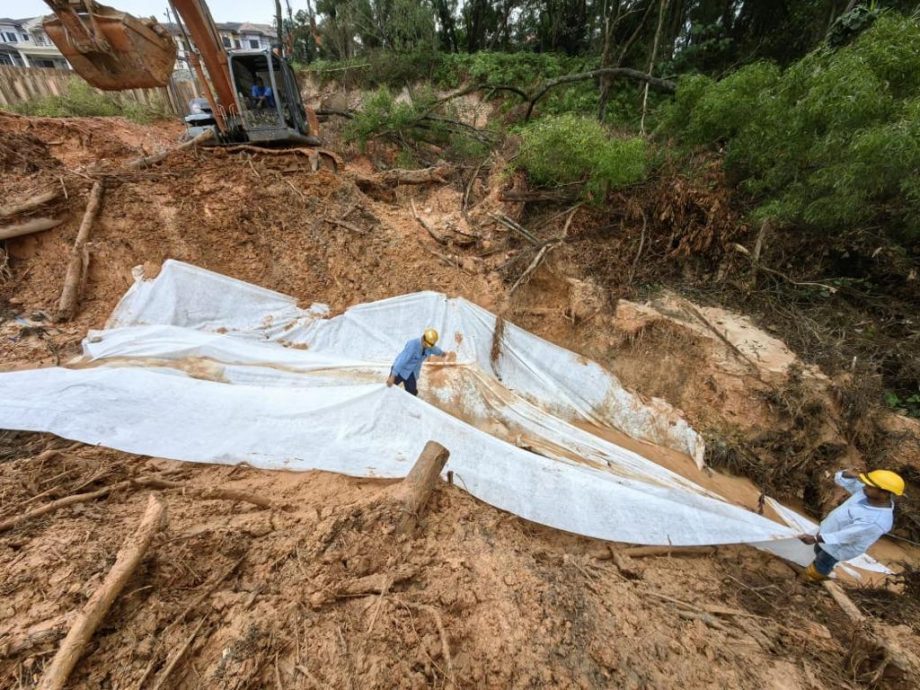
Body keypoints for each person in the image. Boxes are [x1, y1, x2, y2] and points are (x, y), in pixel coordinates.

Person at [798, 469, 904, 581]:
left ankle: (809, 579)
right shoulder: (868, 493)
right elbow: (842, 480)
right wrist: (849, 474)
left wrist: (815, 538)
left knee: (823, 561)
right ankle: (817, 570)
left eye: (869, 486)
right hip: (828, 532)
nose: (864, 486)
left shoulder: (876, 521)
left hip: (840, 546)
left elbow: (846, 536)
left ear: (884, 492)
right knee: (818, 550)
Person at [387, 328, 448, 396]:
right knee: (390, 388)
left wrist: (442, 353)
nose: (427, 347)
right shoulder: (412, 345)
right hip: (400, 370)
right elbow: (401, 360)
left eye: (429, 346)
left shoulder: (429, 346)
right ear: (423, 338)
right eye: (426, 345)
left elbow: (435, 349)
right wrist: (393, 376)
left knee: (412, 392)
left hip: (411, 372)